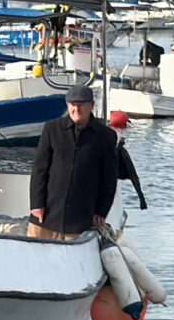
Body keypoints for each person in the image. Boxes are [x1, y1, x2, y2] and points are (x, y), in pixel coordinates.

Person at [29, 86, 118, 239]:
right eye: (73, 104)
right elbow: (39, 169)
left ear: (91, 106)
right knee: (34, 256)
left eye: (82, 104)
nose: (77, 108)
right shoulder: (52, 129)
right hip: (46, 213)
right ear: (67, 105)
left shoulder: (106, 136)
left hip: (81, 216)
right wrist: (37, 204)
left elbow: (109, 179)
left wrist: (101, 211)